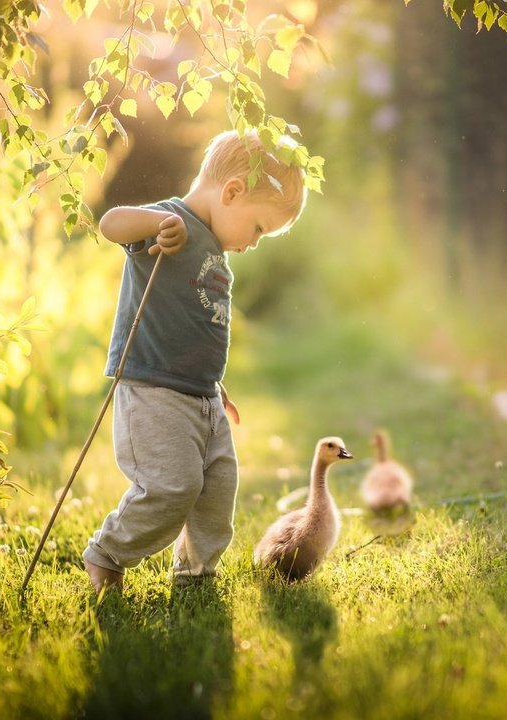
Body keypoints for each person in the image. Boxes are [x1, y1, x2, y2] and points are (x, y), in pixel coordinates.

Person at [82, 130, 307, 593]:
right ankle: (108, 554)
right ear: (232, 192)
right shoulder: (170, 221)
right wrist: (154, 224)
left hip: (202, 395)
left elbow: (198, 324)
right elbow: (110, 223)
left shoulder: (217, 252)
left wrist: (213, 382)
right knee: (172, 487)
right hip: (154, 389)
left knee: (218, 489)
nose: (256, 242)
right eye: (260, 228)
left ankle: (196, 574)